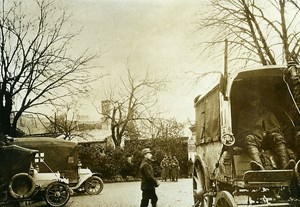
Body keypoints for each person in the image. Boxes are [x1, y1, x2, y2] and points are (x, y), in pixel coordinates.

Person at [237, 88, 296, 170]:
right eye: (251, 97)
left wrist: (268, 132)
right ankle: (259, 166)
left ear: (259, 97)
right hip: (254, 140)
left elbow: (276, 128)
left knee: (277, 137)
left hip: (267, 139)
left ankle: (286, 165)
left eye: (256, 97)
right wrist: (257, 133)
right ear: (247, 98)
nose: (254, 99)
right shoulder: (243, 113)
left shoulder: (266, 111)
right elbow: (242, 133)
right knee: (249, 138)